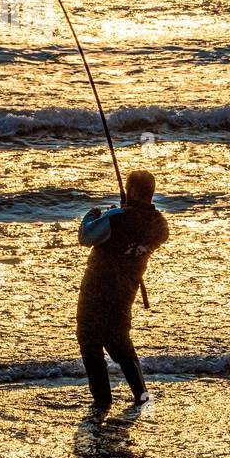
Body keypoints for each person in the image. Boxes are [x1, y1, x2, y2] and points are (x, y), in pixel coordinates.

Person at [77, 169, 169, 413]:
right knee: (119, 341)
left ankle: (102, 400)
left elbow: (87, 236)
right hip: (126, 292)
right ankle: (141, 393)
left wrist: (94, 214)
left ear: (132, 191)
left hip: (97, 289)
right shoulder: (160, 225)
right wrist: (120, 212)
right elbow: (135, 233)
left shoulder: (116, 217)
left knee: (90, 341)